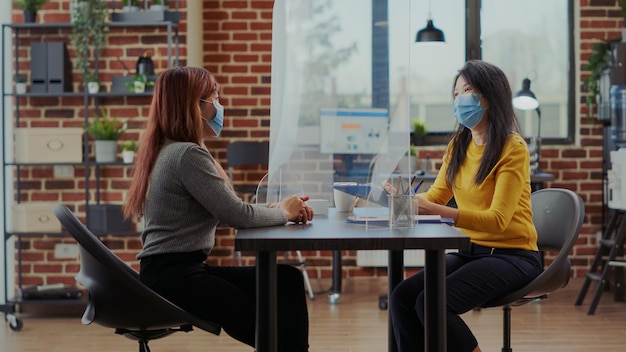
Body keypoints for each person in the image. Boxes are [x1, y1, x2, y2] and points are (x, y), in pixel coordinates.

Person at [123, 66, 312, 352]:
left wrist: (273, 209)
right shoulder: (187, 154)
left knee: (285, 279)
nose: (219, 106)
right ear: (195, 106)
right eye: (215, 98)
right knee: (272, 331)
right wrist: (284, 213)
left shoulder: (170, 149)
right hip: (176, 279)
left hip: (174, 272)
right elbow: (234, 215)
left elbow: (217, 211)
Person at [389, 60, 543, 352]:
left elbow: (497, 220)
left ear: (490, 96)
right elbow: (435, 196)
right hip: (470, 252)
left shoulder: (513, 148)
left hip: (514, 256)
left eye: (468, 90)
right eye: (456, 94)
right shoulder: (458, 145)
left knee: (432, 303)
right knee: (402, 297)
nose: (460, 99)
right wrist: (406, 201)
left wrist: (436, 211)